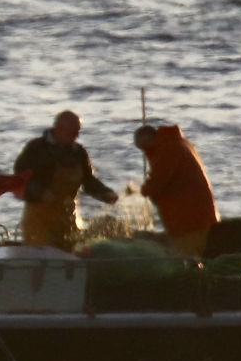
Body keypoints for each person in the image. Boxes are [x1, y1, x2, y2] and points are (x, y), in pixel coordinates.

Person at [13, 110, 118, 250]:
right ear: (58, 128)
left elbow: (88, 181)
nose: (76, 136)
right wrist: (41, 193)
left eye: (78, 132)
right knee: (42, 255)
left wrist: (106, 194)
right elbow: (19, 180)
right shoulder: (37, 148)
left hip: (68, 215)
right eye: (73, 132)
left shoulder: (78, 152)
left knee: (71, 252)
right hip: (39, 218)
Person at [133, 123, 218, 256]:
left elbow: (158, 181)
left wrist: (143, 190)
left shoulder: (167, 149)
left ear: (148, 141)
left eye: (144, 148)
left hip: (189, 219)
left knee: (187, 257)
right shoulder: (177, 143)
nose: (145, 153)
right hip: (197, 214)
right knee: (191, 252)